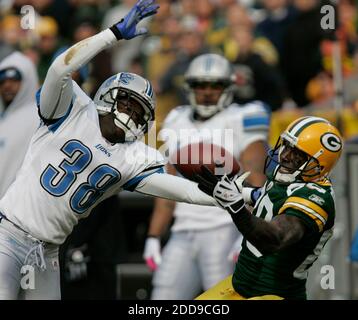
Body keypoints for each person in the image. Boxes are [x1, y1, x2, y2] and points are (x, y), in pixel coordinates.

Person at [0, 0, 218, 300]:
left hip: (48, 253)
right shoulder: (72, 109)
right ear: (108, 96)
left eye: (138, 112)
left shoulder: (131, 157)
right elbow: (59, 67)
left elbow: (186, 191)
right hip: (7, 236)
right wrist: (112, 34)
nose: (130, 115)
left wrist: (240, 197)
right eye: (126, 104)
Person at [143, 53, 270, 299]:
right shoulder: (176, 119)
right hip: (183, 230)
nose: (207, 92)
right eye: (201, 85)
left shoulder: (242, 117)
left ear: (229, 87)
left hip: (224, 229)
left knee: (224, 300)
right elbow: (167, 186)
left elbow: (256, 182)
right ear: (190, 87)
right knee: (163, 296)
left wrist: (249, 234)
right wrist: (153, 235)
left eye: (215, 85)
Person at [195, 116, 343, 300]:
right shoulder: (288, 175)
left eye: (298, 154)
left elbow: (274, 239)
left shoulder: (316, 197)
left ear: (318, 164)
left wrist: (236, 206)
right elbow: (269, 200)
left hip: (274, 295)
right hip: (237, 285)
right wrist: (243, 191)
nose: (286, 155)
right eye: (287, 146)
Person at [0, 51, 40, 199]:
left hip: (16, 210)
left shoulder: (39, 118)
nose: (7, 86)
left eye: (14, 79)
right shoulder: (3, 118)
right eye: (2, 81)